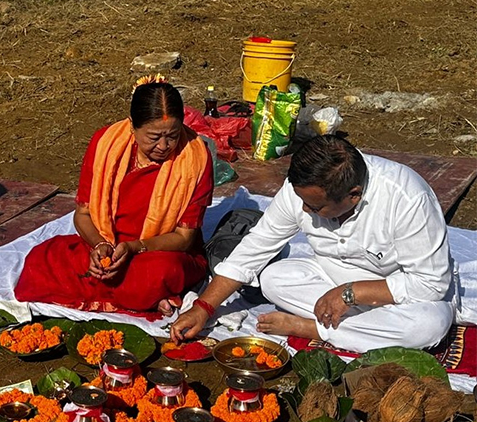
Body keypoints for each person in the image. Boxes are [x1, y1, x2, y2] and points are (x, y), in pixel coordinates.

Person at [171, 134, 455, 353]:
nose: (305, 211)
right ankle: (362, 327)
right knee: (272, 278)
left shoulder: (407, 198)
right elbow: (257, 246)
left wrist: (350, 293)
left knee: (429, 325)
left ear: (353, 195)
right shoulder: (302, 191)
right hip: (330, 280)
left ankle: (315, 329)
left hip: (394, 290)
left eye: (316, 207)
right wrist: (204, 307)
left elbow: (431, 284)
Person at [13, 75, 214, 313]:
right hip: (109, 244)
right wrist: (99, 245)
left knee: (158, 273)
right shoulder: (105, 143)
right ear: (132, 126)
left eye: (172, 136)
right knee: (42, 259)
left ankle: (143, 293)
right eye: (153, 137)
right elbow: (83, 214)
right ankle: (146, 298)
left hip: (156, 251)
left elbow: (184, 238)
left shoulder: (195, 158)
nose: (163, 146)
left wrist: (133, 248)